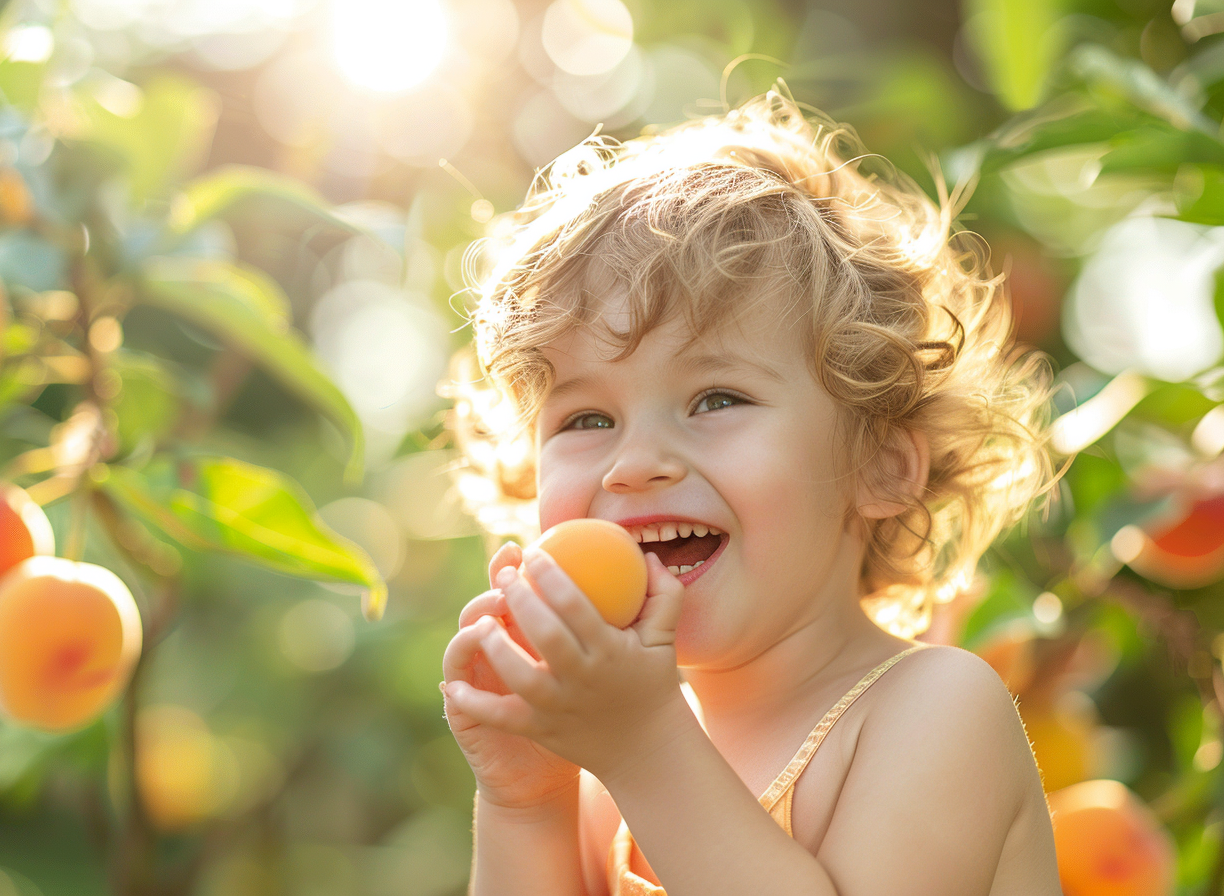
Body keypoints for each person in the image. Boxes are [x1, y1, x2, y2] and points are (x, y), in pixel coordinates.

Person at [438, 85, 1064, 896]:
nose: (637, 463)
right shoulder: (608, 780)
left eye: (716, 400)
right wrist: (527, 799)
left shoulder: (938, 713)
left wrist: (642, 748)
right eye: (587, 418)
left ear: (880, 465)